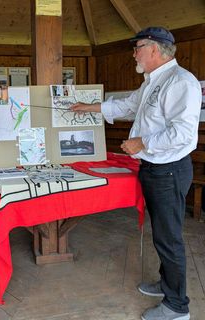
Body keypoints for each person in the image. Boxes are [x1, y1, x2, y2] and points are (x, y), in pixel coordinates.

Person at [71, 27, 202, 320]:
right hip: (154, 170)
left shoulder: (181, 83)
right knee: (162, 235)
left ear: (155, 49)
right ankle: (167, 284)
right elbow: (128, 106)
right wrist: (88, 108)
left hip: (168, 171)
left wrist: (141, 142)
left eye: (137, 47)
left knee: (169, 239)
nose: (134, 53)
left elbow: (183, 134)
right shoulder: (153, 82)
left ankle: (177, 307)